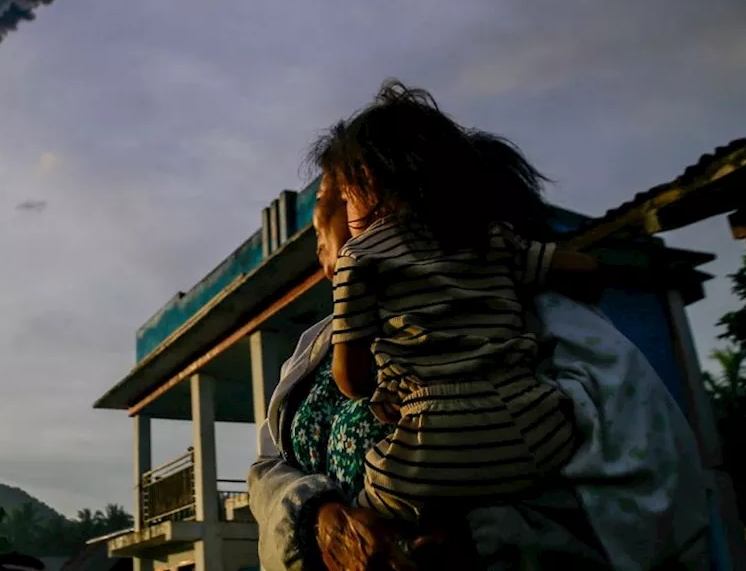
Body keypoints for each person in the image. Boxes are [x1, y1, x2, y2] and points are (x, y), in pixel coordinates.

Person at [248, 148, 713, 571]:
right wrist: (318, 520)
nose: (320, 237)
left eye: (333, 200)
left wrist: (485, 542)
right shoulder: (318, 343)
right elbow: (268, 468)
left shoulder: (534, 322)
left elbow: (653, 504)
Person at [312, 81, 597, 522]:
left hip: (435, 443)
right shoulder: (490, 237)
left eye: (345, 197)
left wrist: (379, 391)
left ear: (367, 183)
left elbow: (349, 377)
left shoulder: (361, 257)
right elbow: (582, 267)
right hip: (538, 431)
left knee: (365, 521)